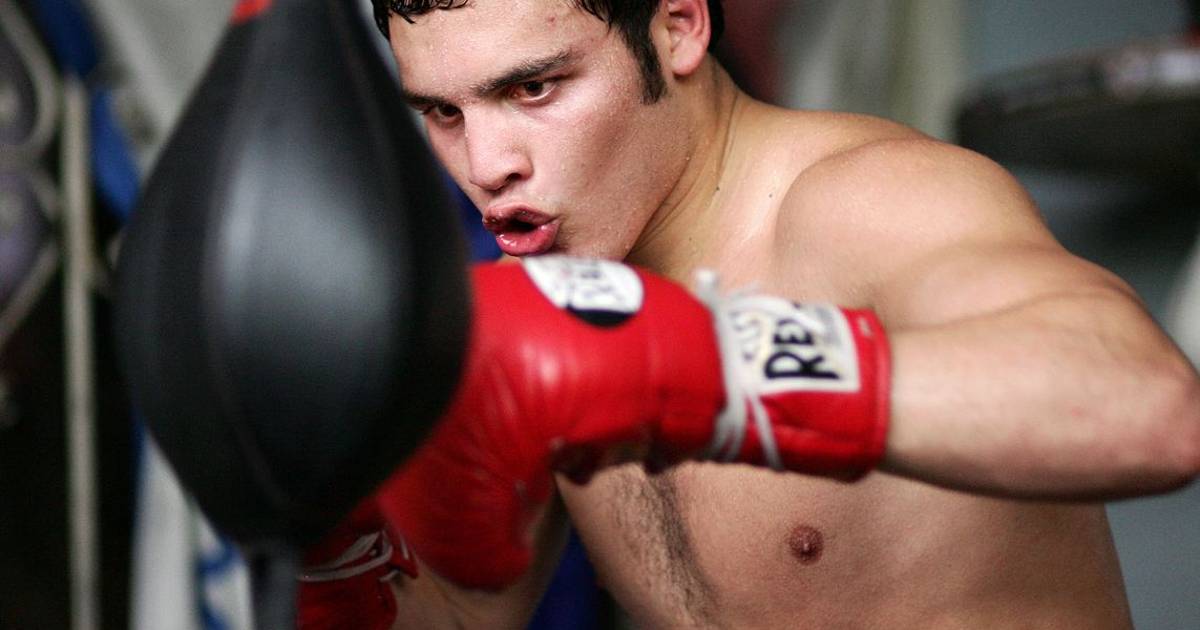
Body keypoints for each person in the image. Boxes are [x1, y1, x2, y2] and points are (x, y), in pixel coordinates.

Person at [298, 1, 1200, 628]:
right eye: (442, 111)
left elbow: (1151, 407)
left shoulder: (873, 201)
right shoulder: (536, 311)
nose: (487, 163)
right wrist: (334, 550)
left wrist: (720, 368)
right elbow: (464, 616)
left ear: (677, 26)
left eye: (534, 89)